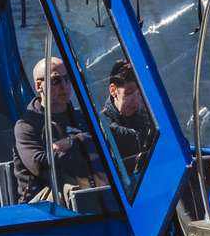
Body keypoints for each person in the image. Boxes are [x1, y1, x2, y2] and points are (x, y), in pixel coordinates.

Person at [11, 56, 107, 203]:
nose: (64, 85)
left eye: (67, 78)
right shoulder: (26, 125)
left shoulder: (80, 117)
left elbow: (108, 140)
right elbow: (41, 166)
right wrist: (87, 153)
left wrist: (73, 142)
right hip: (41, 203)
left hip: (84, 187)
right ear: (39, 86)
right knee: (73, 190)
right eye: (56, 81)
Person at [101, 59, 156, 177]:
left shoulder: (149, 119)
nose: (136, 101)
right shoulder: (103, 126)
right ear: (113, 90)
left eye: (140, 94)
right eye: (129, 92)